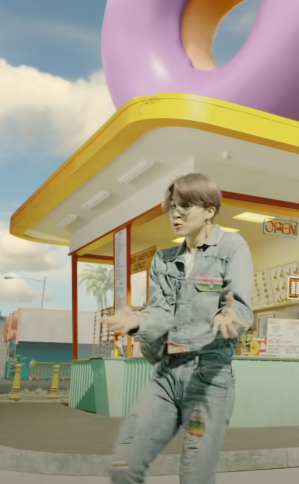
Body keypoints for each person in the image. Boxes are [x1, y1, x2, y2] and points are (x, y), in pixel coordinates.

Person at [101, 173, 253, 484]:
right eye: (172, 206)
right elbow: (161, 312)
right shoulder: (164, 260)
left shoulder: (232, 247)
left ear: (209, 210)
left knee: (195, 475)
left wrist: (227, 318)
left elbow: (239, 306)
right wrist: (139, 322)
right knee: (124, 465)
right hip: (167, 375)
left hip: (209, 379)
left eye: (185, 206)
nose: (176, 214)